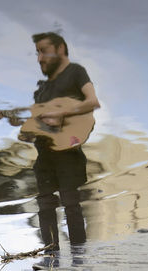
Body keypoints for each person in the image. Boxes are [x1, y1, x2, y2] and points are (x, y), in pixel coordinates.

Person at [28, 32, 100, 254]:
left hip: (68, 151)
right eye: (37, 52)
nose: (40, 58)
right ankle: (51, 255)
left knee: (71, 203)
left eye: (44, 51)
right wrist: (24, 127)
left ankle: (79, 256)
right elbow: (38, 123)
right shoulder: (42, 89)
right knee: (45, 204)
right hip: (44, 154)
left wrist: (62, 113)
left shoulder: (75, 72)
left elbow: (92, 102)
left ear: (60, 49)